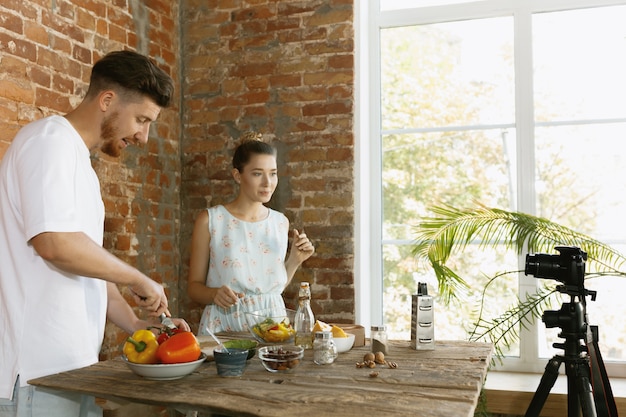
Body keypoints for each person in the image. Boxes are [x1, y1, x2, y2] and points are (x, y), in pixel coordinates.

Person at [0, 50, 190, 417]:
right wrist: (138, 277)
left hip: (75, 371)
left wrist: (135, 324)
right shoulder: (48, 141)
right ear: (107, 101)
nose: (143, 136)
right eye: (141, 119)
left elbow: (91, 270)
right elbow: (54, 244)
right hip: (35, 376)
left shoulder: (82, 167)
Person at [187, 132, 315, 334]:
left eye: (273, 173)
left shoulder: (280, 222)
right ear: (238, 175)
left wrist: (295, 261)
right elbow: (193, 287)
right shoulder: (211, 220)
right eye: (257, 173)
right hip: (224, 327)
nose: (267, 182)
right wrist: (213, 294)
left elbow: (273, 289)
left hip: (273, 326)